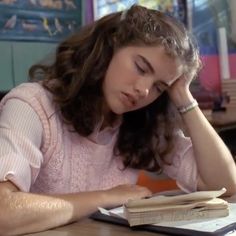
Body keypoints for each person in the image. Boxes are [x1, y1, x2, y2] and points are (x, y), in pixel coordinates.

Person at [0, 4, 235, 235]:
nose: (144, 90)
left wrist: (183, 97)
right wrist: (107, 197)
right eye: (141, 67)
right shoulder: (31, 105)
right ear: (110, 46)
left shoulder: (141, 123)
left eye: (159, 86)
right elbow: (4, 213)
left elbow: (225, 185)